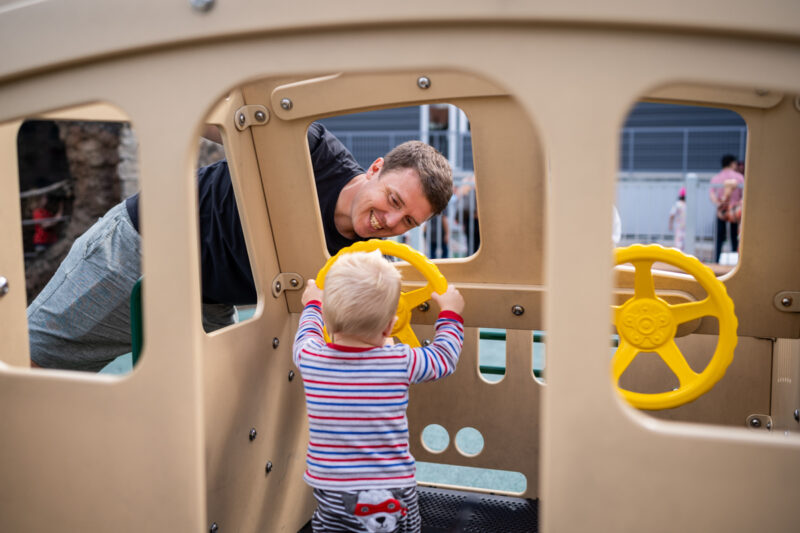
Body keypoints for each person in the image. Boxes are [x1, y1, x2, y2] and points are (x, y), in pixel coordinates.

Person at [27, 123, 453, 371]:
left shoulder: (361, 257)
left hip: (211, 300)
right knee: (32, 357)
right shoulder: (311, 151)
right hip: (141, 250)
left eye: (408, 222)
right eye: (393, 201)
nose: (390, 222)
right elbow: (230, 116)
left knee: (227, 406)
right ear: (376, 169)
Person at [292, 250, 464, 532]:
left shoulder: (310, 357)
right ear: (390, 327)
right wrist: (450, 313)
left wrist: (312, 303)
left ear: (327, 318)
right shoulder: (400, 360)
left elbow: (308, 330)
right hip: (390, 487)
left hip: (330, 486)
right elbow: (444, 358)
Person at [708, 154, 744, 263]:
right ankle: (735, 261)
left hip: (721, 211)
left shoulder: (716, 178)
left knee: (719, 237)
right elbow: (743, 195)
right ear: (732, 163)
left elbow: (712, 194)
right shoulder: (739, 177)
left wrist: (718, 203)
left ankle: (716, 260)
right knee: (734, 237)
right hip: (735, 212)